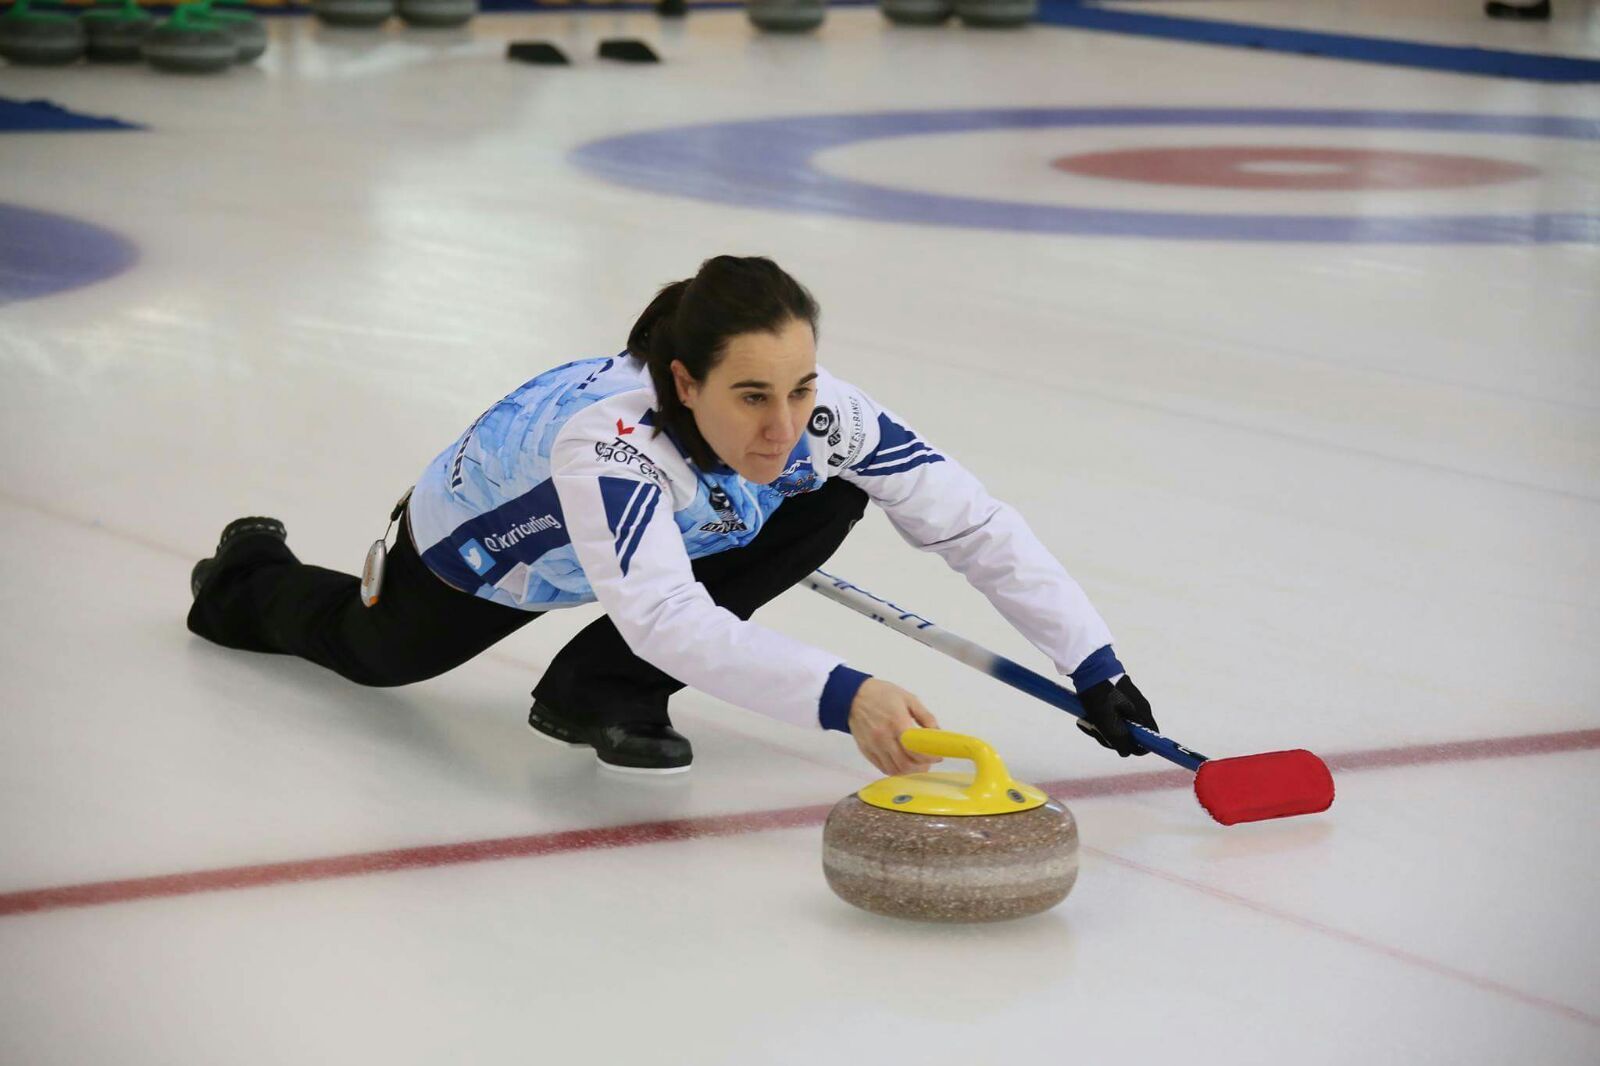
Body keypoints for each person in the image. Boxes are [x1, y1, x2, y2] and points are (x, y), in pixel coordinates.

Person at [187, 256, 1158, 776]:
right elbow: (666, 616)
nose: (785, 425)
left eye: (800, 386)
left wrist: (1094, 664)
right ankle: (246, 575)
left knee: (833, 489)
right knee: (373, 657)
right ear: (685, 382)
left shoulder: (827, 417)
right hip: (499, 547)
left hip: (675, 523)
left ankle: (598, 692)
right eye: (752, 396)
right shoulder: (606, 442)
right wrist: (847, 694)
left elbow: (974, 526)